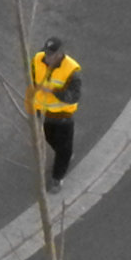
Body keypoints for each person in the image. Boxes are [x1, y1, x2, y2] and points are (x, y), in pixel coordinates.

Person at [30, 37, 82, 194]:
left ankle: (57, 178)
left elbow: (74, 96)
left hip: (63, 115)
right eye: (46, 52)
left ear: (60, 53)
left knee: (63, 148)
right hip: (44, 111)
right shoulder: (38, 59)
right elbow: (32, 78)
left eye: (52, 54)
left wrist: (52, 91)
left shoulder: (72, 71)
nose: (48, 56)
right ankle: (64, 156)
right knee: (49, 138)